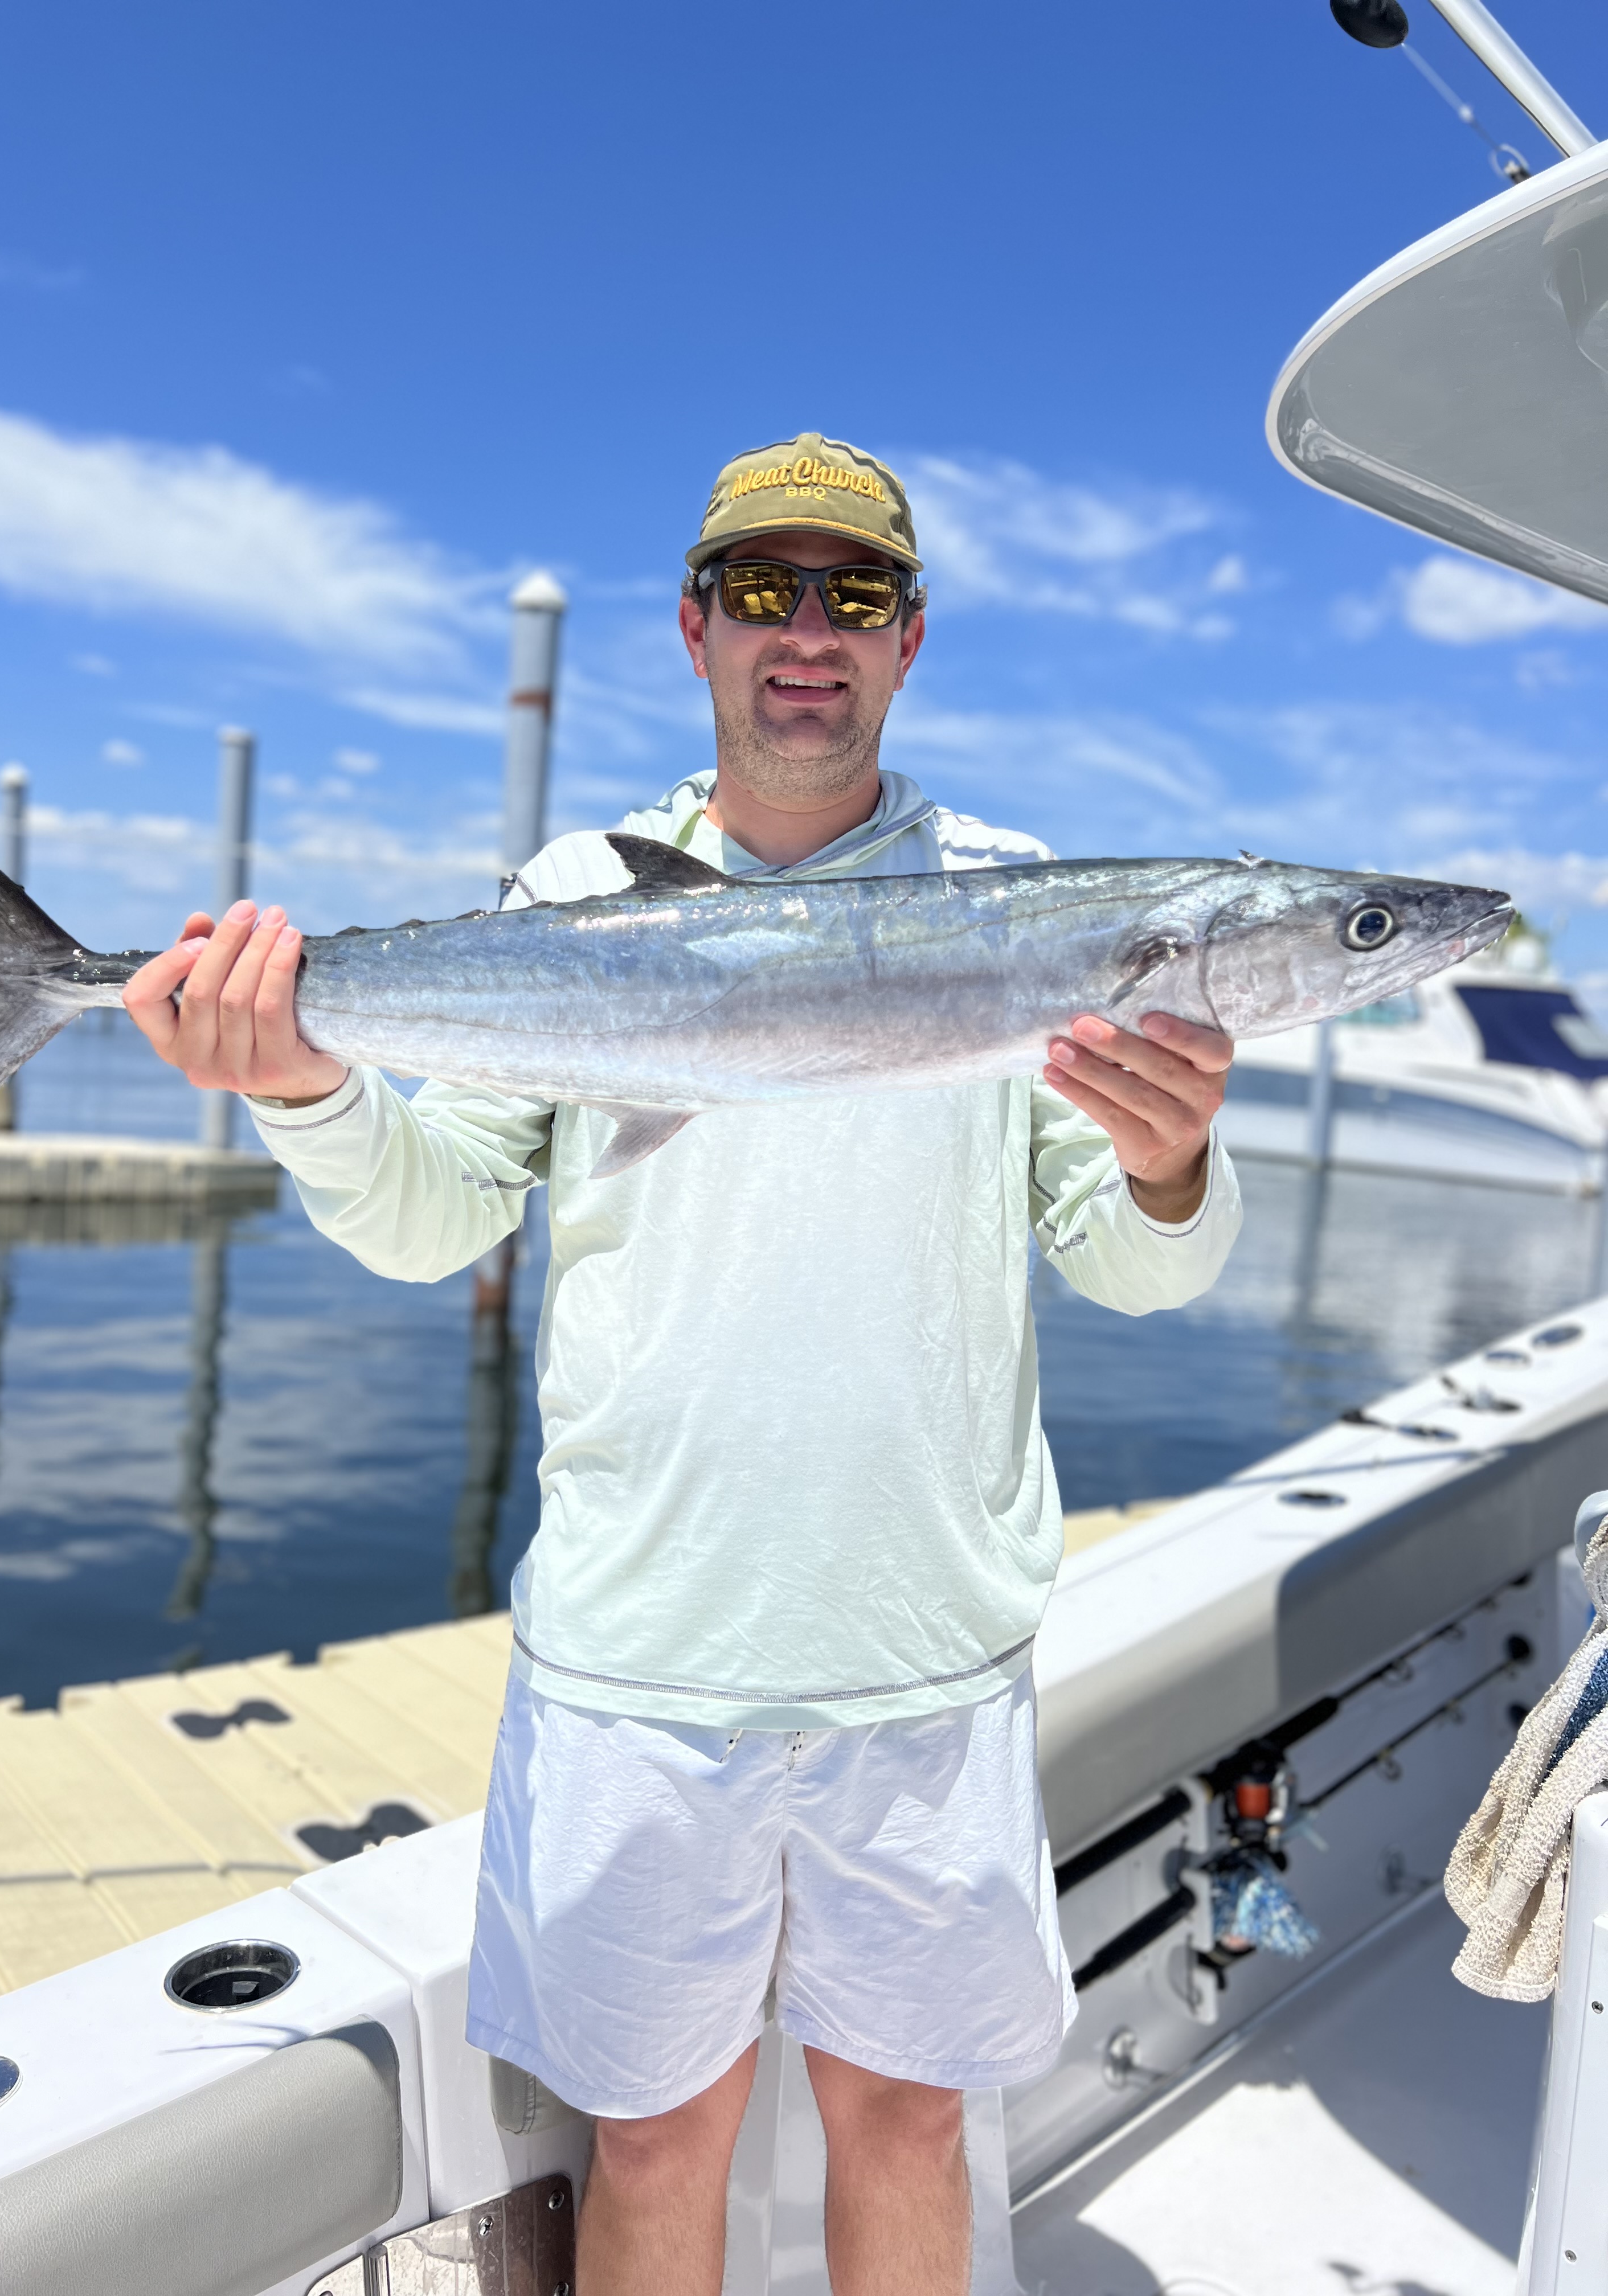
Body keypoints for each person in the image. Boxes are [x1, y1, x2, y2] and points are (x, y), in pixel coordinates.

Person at [123, 432, 1241, 2296]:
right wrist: (306, 1087)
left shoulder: (1030, 901)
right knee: (655, 2136)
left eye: (856, 594)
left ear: (909, 642)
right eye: (763, 591)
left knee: (907, 2122)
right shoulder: (575, 887)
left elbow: (1133, 1267)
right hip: (634, 1665)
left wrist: (1171, 1158)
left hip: (926, 1667)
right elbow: (430, 1216)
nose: (808, 630)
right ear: (695, 630)